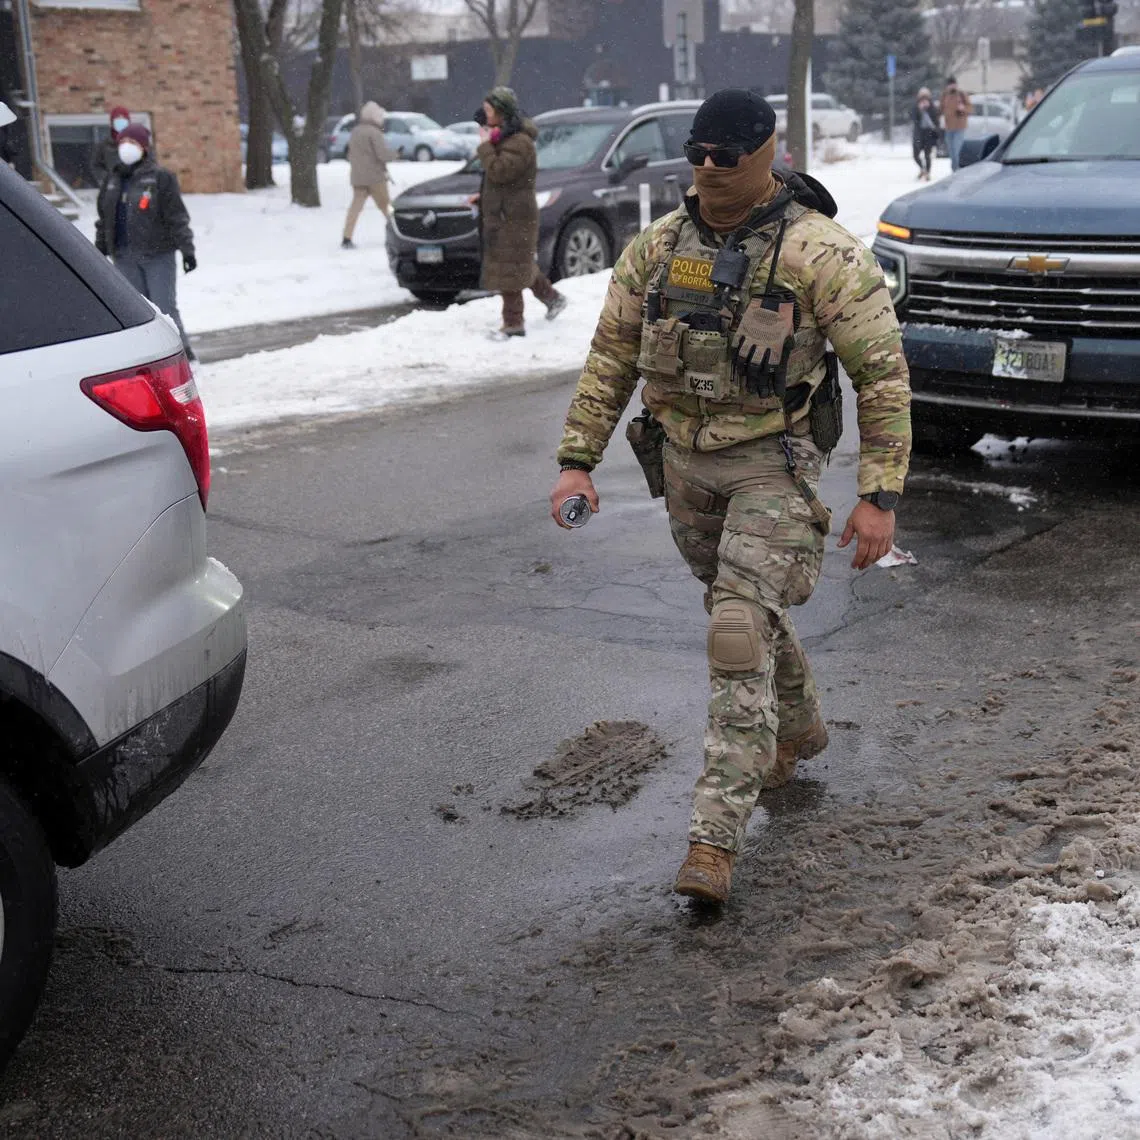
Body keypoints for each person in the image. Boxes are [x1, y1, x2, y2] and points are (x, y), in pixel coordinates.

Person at [550, 89, 912, 905]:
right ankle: (803, 728)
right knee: (740, 612)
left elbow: (882, 379)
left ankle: (712, 842)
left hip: (773, 466)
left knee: (737, 630)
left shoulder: (820, 255)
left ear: (766, 153)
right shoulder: (660, 250)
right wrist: (577, 459)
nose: (708, 170)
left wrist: (878, 493)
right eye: (698, 155)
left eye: (727, 158)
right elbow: (609, 359)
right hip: (682, 465)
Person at [95, 124, 197, 361]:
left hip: (157, 255)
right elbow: (104, 219)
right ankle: (147, 359)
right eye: (122, 142)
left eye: (132, 143)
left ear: (144, 147)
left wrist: (187, 250)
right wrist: (99, 249)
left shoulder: (160, 178)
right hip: (123, 256)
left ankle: (184, 357)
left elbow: (176, 217)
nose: (126, 147)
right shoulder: (112, 179)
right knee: (136, 314)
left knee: (165, 308)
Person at [473, 86, 566, 339]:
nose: (485, 115)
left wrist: (484, 147)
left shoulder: (520, 142)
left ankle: (514, 324)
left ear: (501, 112)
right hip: (507, 212)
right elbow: (503, 182)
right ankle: (553, 299)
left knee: (509, 269)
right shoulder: (504, 138)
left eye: (489, 110)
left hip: (515, 216)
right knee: (518, 263)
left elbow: (500, 171)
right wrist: (483, 197)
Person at [342, 101, 392, 249]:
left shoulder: (355, 131)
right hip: (375, 178)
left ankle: (347, 237)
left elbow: (350, 154)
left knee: (355, 208)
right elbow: (382, 155)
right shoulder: (374, 132)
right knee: (388, 207)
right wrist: (396, 154)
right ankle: (398, 232)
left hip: (358, 177)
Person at [91, 105, 132, 188]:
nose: (121, 123)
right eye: (118, 120)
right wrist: (108, 179)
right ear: (112, 123)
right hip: (112, 188)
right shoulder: (104, 145)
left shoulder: (139, 142)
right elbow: (96, 165)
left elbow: (148, 163)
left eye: (123, 120)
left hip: (134, 186)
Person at [940, 77, 972, 171]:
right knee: (951, 151)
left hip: (959, 126)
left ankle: (956, 170)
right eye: (950, 85)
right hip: (948, 127)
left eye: (954, 84)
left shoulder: (962, 95)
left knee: (956, 150)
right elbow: (941, 109)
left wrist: (963, 109)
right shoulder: (944, 95)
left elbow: (970, 108)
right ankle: (954, 169)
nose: (952, 86)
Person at [912, 88, 940, 181]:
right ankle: (922, 169)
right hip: (918, 134)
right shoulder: (916, 106)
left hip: (929, 134)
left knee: (927, 155)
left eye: (926, 96)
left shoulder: (932, 107)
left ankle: (927, 172)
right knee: (916, 155)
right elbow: (913, 118)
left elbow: (936, 120)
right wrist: (919, 110)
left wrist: (928, 109)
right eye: (922, 96)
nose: (924, 99)